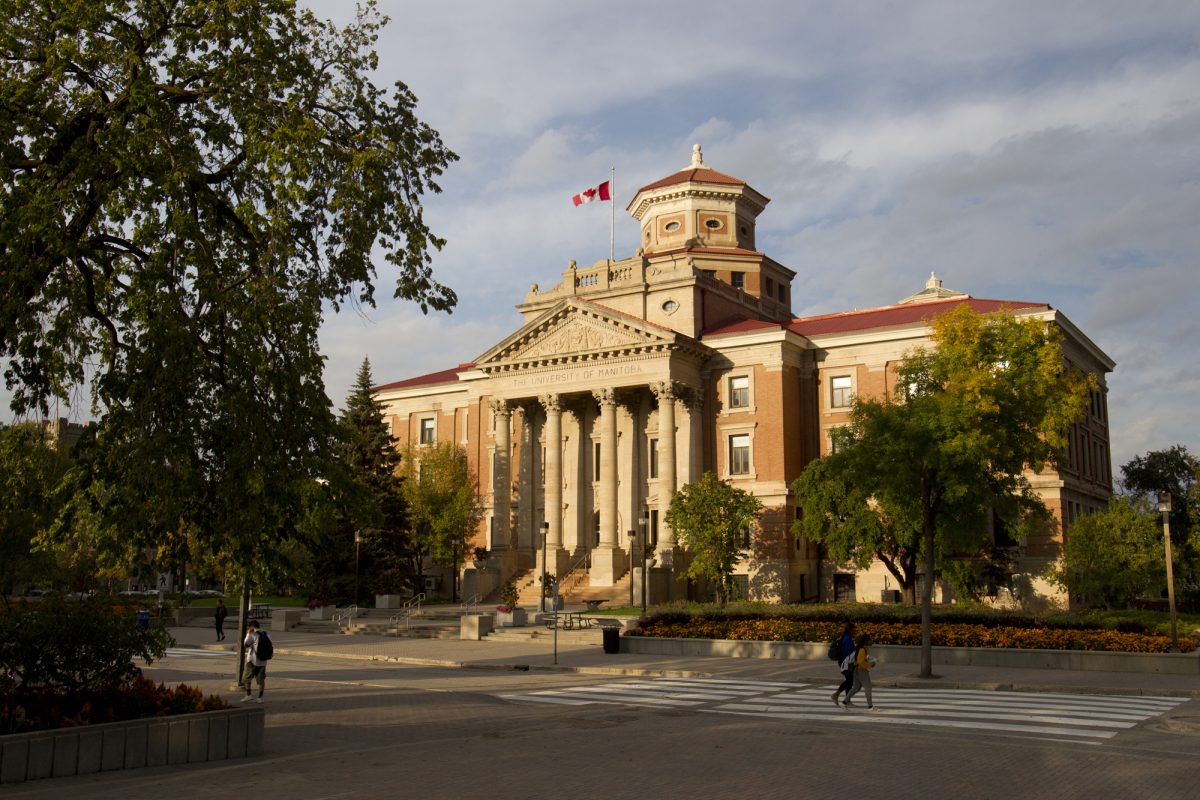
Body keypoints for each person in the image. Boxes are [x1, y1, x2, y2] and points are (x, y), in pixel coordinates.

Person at [844, 632, 877, 709]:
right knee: (868, 687)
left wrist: (870, 660)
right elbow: (860, 661)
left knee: (856, 687)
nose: (871, 641)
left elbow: (863, 659)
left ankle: (846, 700)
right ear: (866, 641)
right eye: (870, 640)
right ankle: (870, 706)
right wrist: (869, 665)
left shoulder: (864, 648)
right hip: (862, 670)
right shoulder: (862, 649)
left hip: (856, 670)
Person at [830, 622, 856, 708]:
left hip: (844, 661)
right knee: (850, 680)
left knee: (850, 680)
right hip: (846, 662)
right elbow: (848, 652)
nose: (855, 631)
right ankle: (837, 695)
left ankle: (846, 699)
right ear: (850, 629)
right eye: (854, 630)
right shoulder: (847, 638)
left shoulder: (845, 636)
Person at [241, 619, 267, 703]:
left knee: (247, 678)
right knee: (261, 680)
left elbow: (245, 644)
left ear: (252, 627)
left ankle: (249, 695)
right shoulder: (266, 634)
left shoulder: (253, 634)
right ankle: (260, 697)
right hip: (263, 661)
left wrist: (248, 633)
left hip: (252, 660)